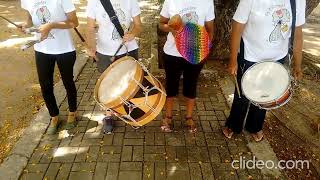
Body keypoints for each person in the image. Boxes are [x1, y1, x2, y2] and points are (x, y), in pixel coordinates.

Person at [223, 0, 306, 142]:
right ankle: (233, 124)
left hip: (277, 58)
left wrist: (297, 64)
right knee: (242, 95)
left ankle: (254, 126)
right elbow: (237, 26)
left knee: (265, 94)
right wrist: (233, 59)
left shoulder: (297, 1)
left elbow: (298, 33)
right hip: (250, 55)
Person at [21, 0, 79, 134]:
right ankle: (54, 116)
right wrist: (26, 26)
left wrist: (52, 25)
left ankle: (73, 112)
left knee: (68, 82)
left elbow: (74, 22)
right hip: (41, 49)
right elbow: (30, 18)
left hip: (64, 48)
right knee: (45, 85)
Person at [86, 0, 142, 134]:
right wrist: (90, 46)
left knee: (130, 84)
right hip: (105, 51)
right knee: (108, 85)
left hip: (128, 49)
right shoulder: (94, 2)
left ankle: (130, 112)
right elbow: (89, 28)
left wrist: (133, 33)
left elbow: (138, 25)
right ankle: (108, 115)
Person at [159, 0, 215, 133]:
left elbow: (210, 30)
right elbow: (161, 24)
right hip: (172, 53)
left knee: (191, 86)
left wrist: (205, 50)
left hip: (196, 53)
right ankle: (168, 117)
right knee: (171, 86)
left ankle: (189, 117)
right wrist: (170, 28)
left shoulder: (207, 2)